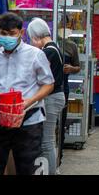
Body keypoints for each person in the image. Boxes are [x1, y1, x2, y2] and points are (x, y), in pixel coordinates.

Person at [0, 12, 54, 175]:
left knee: (28, 168)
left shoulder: (35, 55)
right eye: (4, 34)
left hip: (29, 121)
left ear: (21, 33)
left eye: (12, 34)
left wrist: (29, 101)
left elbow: (48, 84)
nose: (7, 37)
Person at [27, 18, 65, 175]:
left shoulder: (48, 51)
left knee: (47, 142)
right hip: (55, 97)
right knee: (48, 140)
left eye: (31, 39)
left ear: (37, 36)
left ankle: (51, 172)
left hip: (52, 98)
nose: (31, 43)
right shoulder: (53, 48)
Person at [57, 22, 81, 169]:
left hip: (62, 88)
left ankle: (59, 157)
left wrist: (72, 68)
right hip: (47, 88)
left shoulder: (71, 46)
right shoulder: (48, 43)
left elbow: (77, 67)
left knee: (61, 120)